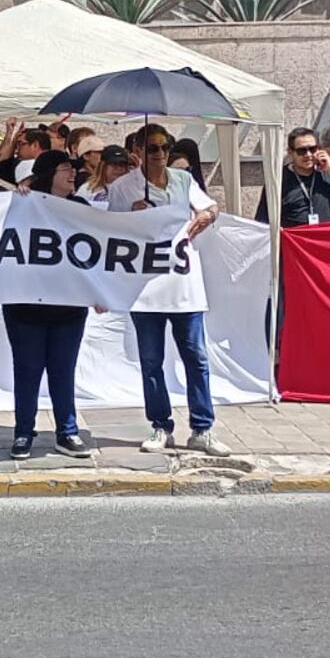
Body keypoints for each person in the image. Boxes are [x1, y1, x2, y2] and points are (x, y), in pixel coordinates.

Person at [106, 127, 229, 457]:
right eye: (152, 148)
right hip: (145, 286)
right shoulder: (122, 187)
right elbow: (109, 233)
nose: (159, 153)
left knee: (196, 356)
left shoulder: (183, 180)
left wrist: (206, 215)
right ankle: (161, 424)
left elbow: (211, 206)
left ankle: (202, 428)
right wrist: (133, 217)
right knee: (151, 359)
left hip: (182, 281)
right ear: (138, 152)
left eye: (164, 147)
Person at [2, 151, 94, 460]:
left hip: (68, 308)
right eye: (65, 168)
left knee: (62, 370)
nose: (72, 174)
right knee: (27, 370)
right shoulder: (22, 205)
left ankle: (67, 432)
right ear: (48, 174)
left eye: (73, 169)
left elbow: (96, 252)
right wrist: (16, 195)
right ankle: (23, 433)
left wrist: (102, 291)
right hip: (25, 307)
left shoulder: (81, 208)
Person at [254, 127, 330, 227]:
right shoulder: (278, 180)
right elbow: (262, 220)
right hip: (295, 243)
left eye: (312, 149)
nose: (308, 155)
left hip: (326, 242)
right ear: (290, 152)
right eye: (302, 151)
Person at [0, 120, 51, 187]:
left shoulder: (52, 167)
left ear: (35, 145)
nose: (16, 150)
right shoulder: (21, 163)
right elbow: (1, 166)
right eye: (16, 145)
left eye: (21, 144)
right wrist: (10, 134)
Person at [75, 144, 132, 210]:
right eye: (114, 164)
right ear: (103, 166)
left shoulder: (133, 189)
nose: (119, 168)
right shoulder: (87, 189)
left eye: (122, 165)